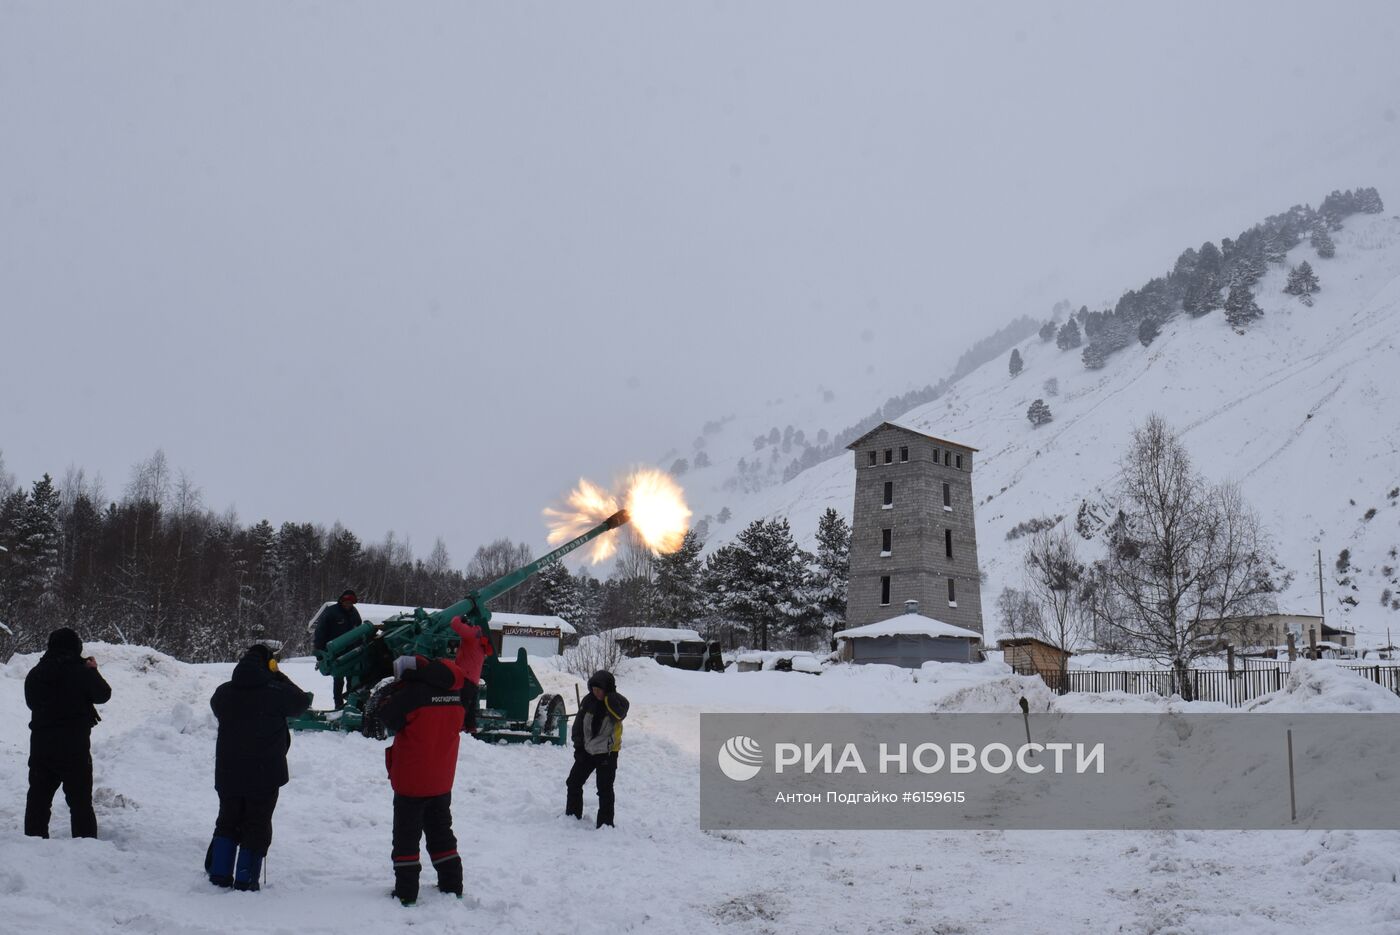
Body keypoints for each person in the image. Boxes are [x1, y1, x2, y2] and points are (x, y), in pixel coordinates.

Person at [206, 643, 311, 891]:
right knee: (257, 823)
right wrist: (278, 675)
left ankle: (219, 874)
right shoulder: (276, 692)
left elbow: (217, 708)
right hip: (264, 773)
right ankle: (245, 878)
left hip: (229, 771)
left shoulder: (223, 692)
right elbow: (301, 702)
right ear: (269, 665)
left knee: (227, 820)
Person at [378, 653, 467, 907]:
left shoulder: (413, 693)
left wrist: (395, 693)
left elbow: (387, 717)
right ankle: (452, 884)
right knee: (441, 831)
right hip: (441, 777)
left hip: (412, 778)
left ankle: (406, 892)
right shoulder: (454, 692)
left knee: (406, 836)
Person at [24, 627, 112, 839]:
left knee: (38, 799)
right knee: (80, 802)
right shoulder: (81, 671)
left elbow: (31, 702)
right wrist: (92, 670)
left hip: (41, 746)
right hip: (74, 747)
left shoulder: (36, 673)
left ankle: (33, 844)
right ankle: (85, 845)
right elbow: (103, 694)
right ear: (75, 647)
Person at [565, 670, 629, 828]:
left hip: (607, 753)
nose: (596, 693)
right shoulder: (588, 701)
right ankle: (572, 815)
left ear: (607, 689)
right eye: (594, 689)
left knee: (604, 789)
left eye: (600, 690)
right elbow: (579, 724)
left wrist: (609, 698)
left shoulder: (616, 702)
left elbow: (620, 714)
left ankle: (605, 824)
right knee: (573, 782)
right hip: (587, 751)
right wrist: (578, 746)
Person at [311, 589, 362, 708]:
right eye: (347, 602)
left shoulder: (354, 613)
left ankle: (351, 705)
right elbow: (320, 633)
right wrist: (320, 651)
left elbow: (359, 630)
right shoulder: (331, 612)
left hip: (353, 653)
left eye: (351, 603)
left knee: (353, 680)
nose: (349, 605)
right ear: (342, 600)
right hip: (336, 653)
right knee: (338, 681)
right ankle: (338, 706)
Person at [449, 615, 493, 734]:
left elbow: (454, 624)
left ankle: (459, 728)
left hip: (465, 676)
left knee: (461, 705)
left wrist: (459, 618)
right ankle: (470, 729)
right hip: (473, 678)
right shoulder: (480, 637)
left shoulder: (472, 634)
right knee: (470, 707)